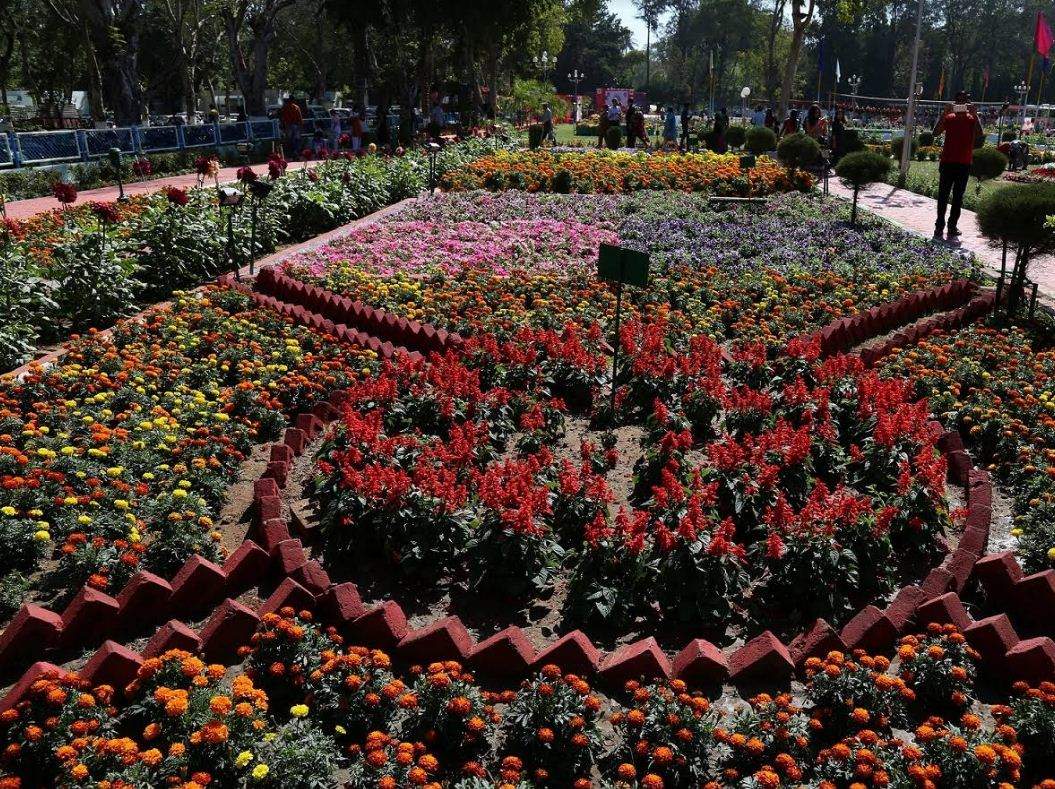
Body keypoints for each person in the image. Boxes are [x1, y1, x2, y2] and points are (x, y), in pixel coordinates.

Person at [932, 91, 983, 242]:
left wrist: (976, 115)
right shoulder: (949, 117)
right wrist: (944, 113)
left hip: (964, 163)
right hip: (948, 162)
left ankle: (952, 226)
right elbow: (935, 133)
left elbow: (980, 134)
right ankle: (939, 226)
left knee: (958, 197)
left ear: (968, 104)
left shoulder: (971, 118)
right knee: (943, 196)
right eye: (958, 101)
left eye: (964, 102)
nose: (961, 104)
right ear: (955, 103)